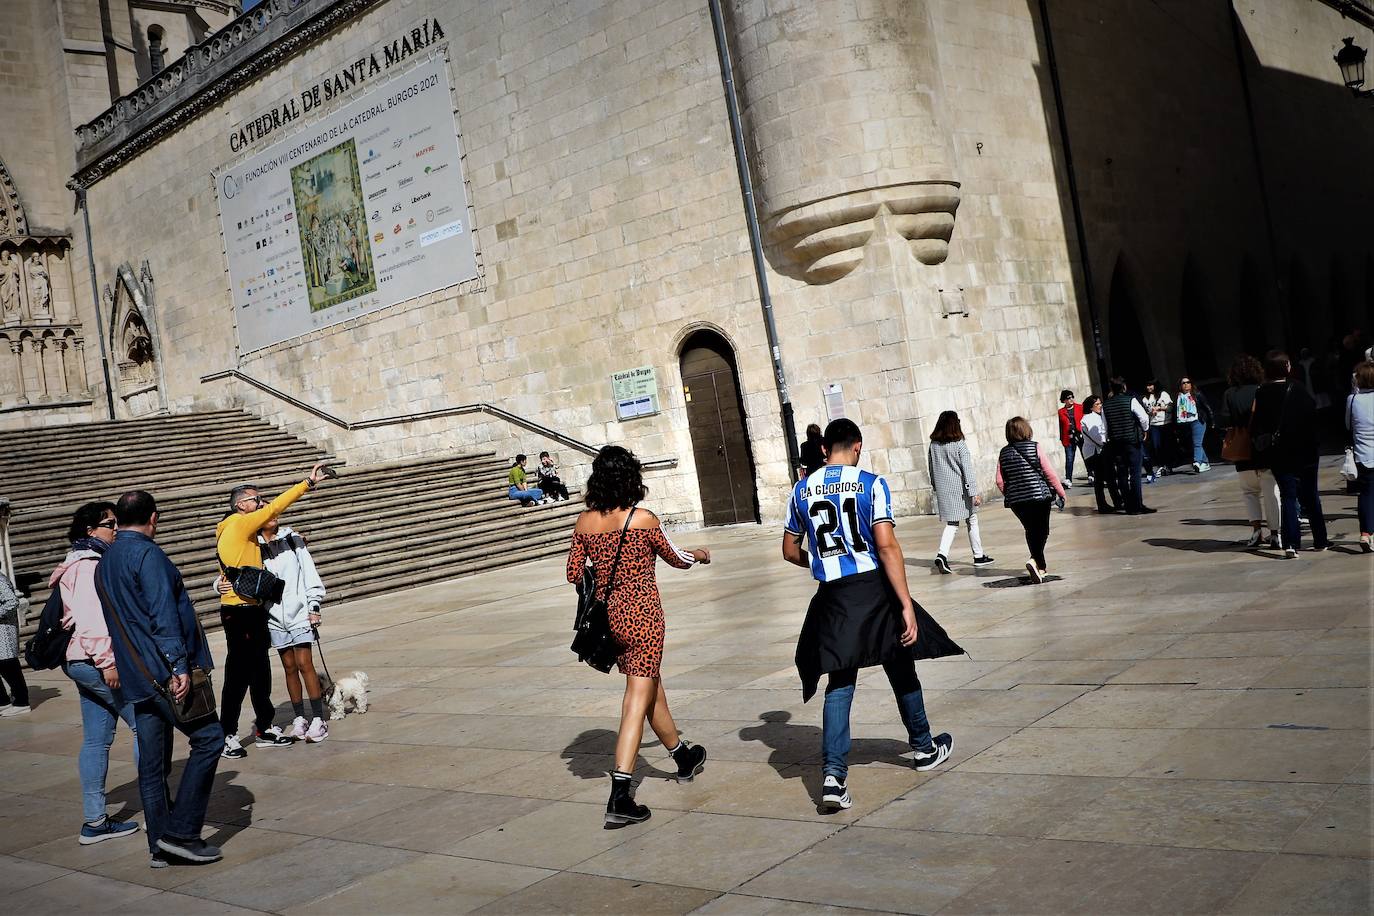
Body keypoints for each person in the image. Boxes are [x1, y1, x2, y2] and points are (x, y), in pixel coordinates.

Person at [784, 419, 957, 813]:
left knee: (840, 680)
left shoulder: (802, 490)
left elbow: (789, 549)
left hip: (835, 595)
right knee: (900, 663)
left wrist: (825, 563)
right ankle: (923, 747)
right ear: (857, 446)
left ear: (826, 448)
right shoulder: (871, 484)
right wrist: (906, 604)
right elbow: (887, 546)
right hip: (874, 590)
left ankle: (832, 776)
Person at [565, 446, 711, 828]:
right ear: (631, 477)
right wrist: (699, 554)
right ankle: (620, 792)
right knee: (635, 698)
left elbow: (572, 573)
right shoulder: (643, 519)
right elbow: (676, 558)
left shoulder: (584, 522)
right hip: (645, 618)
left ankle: (682, 757)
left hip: (612, 620)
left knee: (650, 686)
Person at [97, 490, 224, 867]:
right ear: (153, 517)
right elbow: (161, 613)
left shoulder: (107, 560)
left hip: (137, 676)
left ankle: (159, 846)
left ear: (118, 519)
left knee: (152, 766)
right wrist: (178, 665)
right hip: (162, 673)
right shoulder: (147, 554)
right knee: (210, 740)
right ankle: (181, 833)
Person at [216, 464, 330, 759]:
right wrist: (308, 482)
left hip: (256, 611)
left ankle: (265, 727)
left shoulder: (254, 536)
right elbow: (278, 505)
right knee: (238, 674)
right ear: (242, 506)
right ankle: (227, 733)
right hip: (239, 612)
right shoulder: (238, 523)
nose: (263, 505)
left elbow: (240, 563)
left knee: (261, 673)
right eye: (257, 500)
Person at [51, 502, 141, 843]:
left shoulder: (78, 561)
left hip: (80, 661)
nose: (115, 528)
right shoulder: (88, 566)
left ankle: (95, 821)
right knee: (143, 724)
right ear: (90, 530)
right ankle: (157, 802)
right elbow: (92, 622)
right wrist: (108, 663)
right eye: (109, 524)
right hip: (93, 661)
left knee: (96, 740)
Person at [1251, 352, 1330, 557]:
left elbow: (1258, 425)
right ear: (1286, 366)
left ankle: (1291, 544)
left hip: (1279, 452)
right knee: (1311, 496)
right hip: (1305, 451)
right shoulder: (1298, 388)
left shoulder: (1262, 392)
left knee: (1288, 496)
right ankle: (1320, 539)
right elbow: (1312, 418)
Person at [996, 417, 1068, 583]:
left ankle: (1039, 565)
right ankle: (1036, 562)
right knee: (1042, 531)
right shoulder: (1034, 446)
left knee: (1031, 530)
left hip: (1017, 501)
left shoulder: (1004, 452)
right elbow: (1048, 471)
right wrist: (1060, 491)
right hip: (1039, 496)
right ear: (1025, 429)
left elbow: (1000, 480)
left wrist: (1010, 493)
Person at [1222, 355, 1279, 549]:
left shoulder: (1230, 393)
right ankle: (1275, 533)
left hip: (1242, 450)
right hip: (1263, 448)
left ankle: (1256, 531)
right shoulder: (1262, 390)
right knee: (1271, 493)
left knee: (1249, 493)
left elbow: (1224, 419)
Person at [926, 410, 993, 572]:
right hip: (961, 490)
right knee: (972, 520)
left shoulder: (933, 445)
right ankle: (978, 555)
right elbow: (967, 470)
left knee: (952, 523)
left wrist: (936, 487)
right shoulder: (959, 444)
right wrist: (974, 492)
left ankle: (942, 555)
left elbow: (931, 468)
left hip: (944, 490)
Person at [1102, 377, 1154, 514]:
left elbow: (1105, 427)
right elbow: (1143, 418)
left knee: (1122, 473)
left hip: (1116, 442)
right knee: (1135, 473)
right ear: (1123, 387)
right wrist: (1145, 429)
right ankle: (1137, 505)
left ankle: (1129, 505)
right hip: (1132, 441)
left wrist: (1109, 439)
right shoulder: (1130, 400)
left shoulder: (1105, 405)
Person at [1346, 361, 1374, 553]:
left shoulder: (1352, 400)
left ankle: (1365, 533)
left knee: (1365, 494)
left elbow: (1348, 426)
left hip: (1363, 454)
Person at [1080, 395, 1121, 513]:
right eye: (1097, 404)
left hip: (1099, 452)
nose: (1100, 406)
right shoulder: (1087, 419)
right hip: (1094, 453)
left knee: (1104, 478)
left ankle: (1109, 502)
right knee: (1104, 478)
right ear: (1091, 407)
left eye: (1100, 403)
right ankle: (1108, 503)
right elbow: (1098, 438)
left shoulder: (1098, 416)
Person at [0, 569, 29, 717]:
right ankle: (3, 702)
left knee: (9, 668)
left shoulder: (0, 579)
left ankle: (21, 702)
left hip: (3, 632)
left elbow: (12, 601)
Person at [1174, 375, 1213, 473]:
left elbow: (1207, 408)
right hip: (1185, 423)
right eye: (1184, 383)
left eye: (1188, 382)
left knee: (1197, 443)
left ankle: (1197, 462)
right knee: (1196, 443)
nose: (1186, 385)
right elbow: (1176, 412)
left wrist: (1212, 421)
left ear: (1191, 384)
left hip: (1198, 420)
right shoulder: (1178, 397)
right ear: (1180, 385)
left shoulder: (1197, 394)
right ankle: (1205, 462)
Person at [1141, 380, 1173, 481]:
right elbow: (1145, 412)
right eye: (1147, 385)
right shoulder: (1145, 398)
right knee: (1156, 446)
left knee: (1166, 445)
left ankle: (1168, 466)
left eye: (1151, 385)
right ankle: (1161, 465)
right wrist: (1150, 412)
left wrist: (1159, 408)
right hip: (1154, 424)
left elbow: (1170, 407)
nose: (1149, 387)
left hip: (1165, 423)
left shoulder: (1163, 394)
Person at [1056, 390, 1082, 486]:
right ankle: (1068, 479)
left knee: (1086, 456)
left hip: (1080, 436)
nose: (1071, 399)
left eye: (1072, 397)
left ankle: (1091, 475)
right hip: (1068, 438)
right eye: (1068, 398)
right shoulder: (1061, 411)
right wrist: (1062, 439)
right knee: (1069, 458)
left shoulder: (1080, 407)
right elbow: (1061, 426)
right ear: (1064, 400)